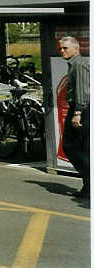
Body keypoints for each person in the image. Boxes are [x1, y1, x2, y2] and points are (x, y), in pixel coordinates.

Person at [60, 36, 90, 199]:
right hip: (80, 109)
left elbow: (83, 90)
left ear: (76, 48)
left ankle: (90, 181)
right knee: (82, 149)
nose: (62, 51)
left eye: (65, 48)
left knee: (70, 146)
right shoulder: (75, 64)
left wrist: (78, 113)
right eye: (61, 48)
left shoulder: (79, 64)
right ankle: (88, 186)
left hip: (81, 111)